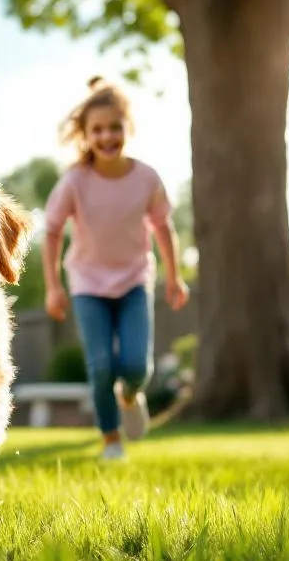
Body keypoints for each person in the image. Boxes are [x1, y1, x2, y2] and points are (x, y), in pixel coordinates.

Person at [42, 76, 190, 462]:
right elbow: (53, 231)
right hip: (88, 285)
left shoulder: (146, 178)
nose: (107, 137)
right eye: (98, 130)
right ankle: (111, 440)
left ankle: (130, 394)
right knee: (102, 365)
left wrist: (174, 276)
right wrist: (52, 287)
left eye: (115, 128)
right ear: (85, 135)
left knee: (137, 365)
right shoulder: (75, 181)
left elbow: (163, 227)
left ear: (128, 128)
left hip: (134, 282)